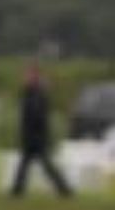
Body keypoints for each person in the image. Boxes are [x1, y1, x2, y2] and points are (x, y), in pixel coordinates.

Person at [9, 62, 74, 197]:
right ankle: (17, 190)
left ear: (35, 77)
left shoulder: (36, 94)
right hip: (32, 135)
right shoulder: (31, 92)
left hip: (35, 136)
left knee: (44, 165)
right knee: (27, 164)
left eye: (28, 75)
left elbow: (36, 115)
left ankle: (64, 189)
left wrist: (33, 133)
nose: (25, 77)